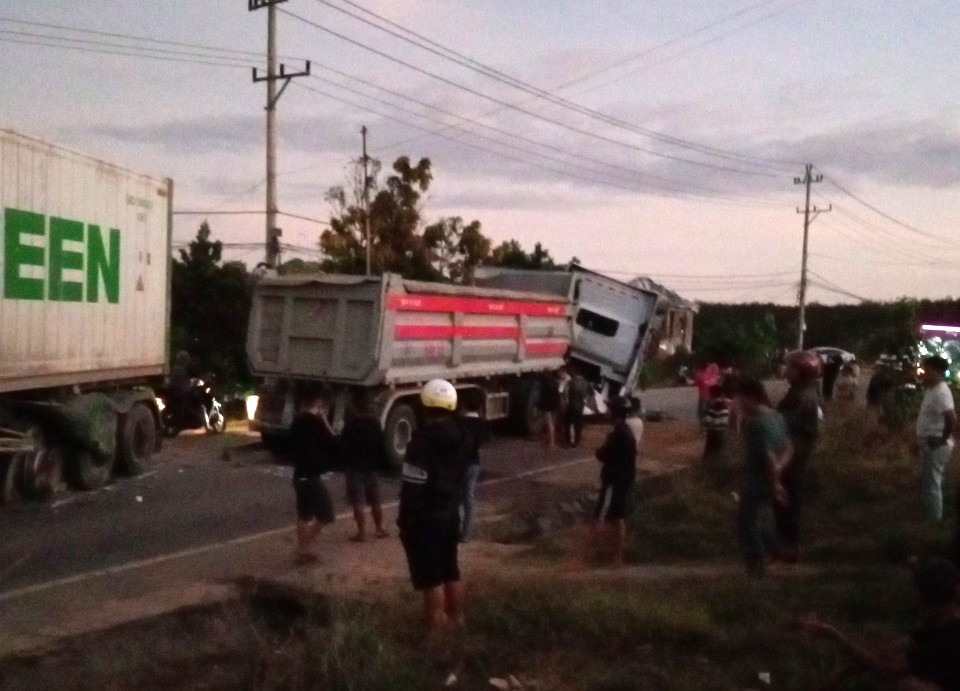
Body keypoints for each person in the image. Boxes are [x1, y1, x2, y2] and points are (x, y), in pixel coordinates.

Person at [797, 558, 960, 691]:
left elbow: (883, 669)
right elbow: (891, 650)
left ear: (924, 596)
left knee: (906, 684)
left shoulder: (948, 637)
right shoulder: (939, 620)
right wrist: (842, 673)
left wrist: (834, 635)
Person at [398, 379, 471, 639]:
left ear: (425, 406)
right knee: (451, 571)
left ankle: (436, 635)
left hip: (425, 518)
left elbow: (413, 487)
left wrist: (405, 523)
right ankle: (457, 622)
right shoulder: (464, 438)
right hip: (450, 513)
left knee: (431, 580)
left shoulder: (420, 444)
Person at [736, 377, 791, 578]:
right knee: (764, 519)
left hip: (757, 480)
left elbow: (768, 456)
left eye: (740, 398)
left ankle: (756, 567)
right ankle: (777, 553)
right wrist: (778, 472)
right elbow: (788, 447)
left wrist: (775, 482)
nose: (738, 403)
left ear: (750, 397)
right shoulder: (777, 416)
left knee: (747, 522)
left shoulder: (756, 424)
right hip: (770, 478)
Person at [774, 349, 822, 564]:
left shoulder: (800, 397)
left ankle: (787, 553)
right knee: (787, 504)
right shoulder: (806, 392)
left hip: (792, 457)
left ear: (801, 371)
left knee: (786, 505)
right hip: (797, 455)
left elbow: (783, 426)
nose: (786, 371)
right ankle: (785, 550)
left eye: (790, 367)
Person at [288, 391, 339, 565]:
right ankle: (303, 548)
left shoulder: (297, 422)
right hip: (311, 476)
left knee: (304, 515)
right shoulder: (317, 423)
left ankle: (304, 550)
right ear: (318, 404)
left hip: (300, 474)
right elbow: (333, 441)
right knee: (326, 514)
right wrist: (325, 420)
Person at [589, 396, 638, 568]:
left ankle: (584, 555)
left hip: (613, 483)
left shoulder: (618, 434)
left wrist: (602, 446)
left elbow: (602, 454)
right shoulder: (626, 431)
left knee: (599, 518)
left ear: (616, 412)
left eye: (610, 409)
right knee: (618, 519)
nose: (607, 412)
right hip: (624, 482)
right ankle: (617, 557)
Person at [340, 393, 390, 542]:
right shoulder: (375, 423)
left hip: (355, 467)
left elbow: (343, 446)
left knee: (358, 501)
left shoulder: (350, 425)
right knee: (375, 500)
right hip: (371, 466)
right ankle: (379, 528)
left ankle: (361, 532)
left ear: (356, 408)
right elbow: (381, 443)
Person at [916, 356, 956, 522]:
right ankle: (929, 515)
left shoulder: (941, 392)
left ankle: (934, 521)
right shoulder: (932, 389)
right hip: (929, 442)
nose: (923, 373)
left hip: (936, 444)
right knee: (929, 481)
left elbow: (951, 418)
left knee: (933, 483)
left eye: (926, 370)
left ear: (936, 371)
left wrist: (942, 439)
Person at [457, 390, 489, 543]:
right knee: (468, 497)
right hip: (474, 463)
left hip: (459, 463)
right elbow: (483, 441)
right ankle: (466, 533)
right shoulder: (481, 424)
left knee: (456, 498)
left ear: (464, 405)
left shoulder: (459, 423)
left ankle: (454, 528)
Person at [702, 383, 731, 466]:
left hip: (714, 431)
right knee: (720, 450)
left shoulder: (713, 406)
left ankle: (708, 463)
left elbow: (707, 420)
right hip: (723, 431)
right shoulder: (727, 402)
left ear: (712, 395)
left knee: (710, 449)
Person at [564, 367, 591, 448]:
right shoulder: (587, 383)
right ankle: (576, 442)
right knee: (578, 425)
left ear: (576, 374)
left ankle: (568, 442)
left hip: (571, 406)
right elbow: (590, 394)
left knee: (568, 424)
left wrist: (566, 400)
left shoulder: (571, 381)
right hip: (580, 407)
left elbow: (565, 391)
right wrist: (585, 401)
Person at [539, 370, 562, 448]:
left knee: (549, 423)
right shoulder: (555, 383)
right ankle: (552, 441)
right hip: (555, 405)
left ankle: (551, 441)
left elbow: (542, 396)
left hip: (547, 405)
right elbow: (557, 394)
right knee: (553, 423)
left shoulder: (544, 384)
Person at [694, 361, 721, 427]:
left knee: (704, 411)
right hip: (707, 396)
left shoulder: (700, 374)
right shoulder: (708, 372)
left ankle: (704, 424)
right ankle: (707, 424)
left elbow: (697, 381)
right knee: (708, 410)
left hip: (704, 396)